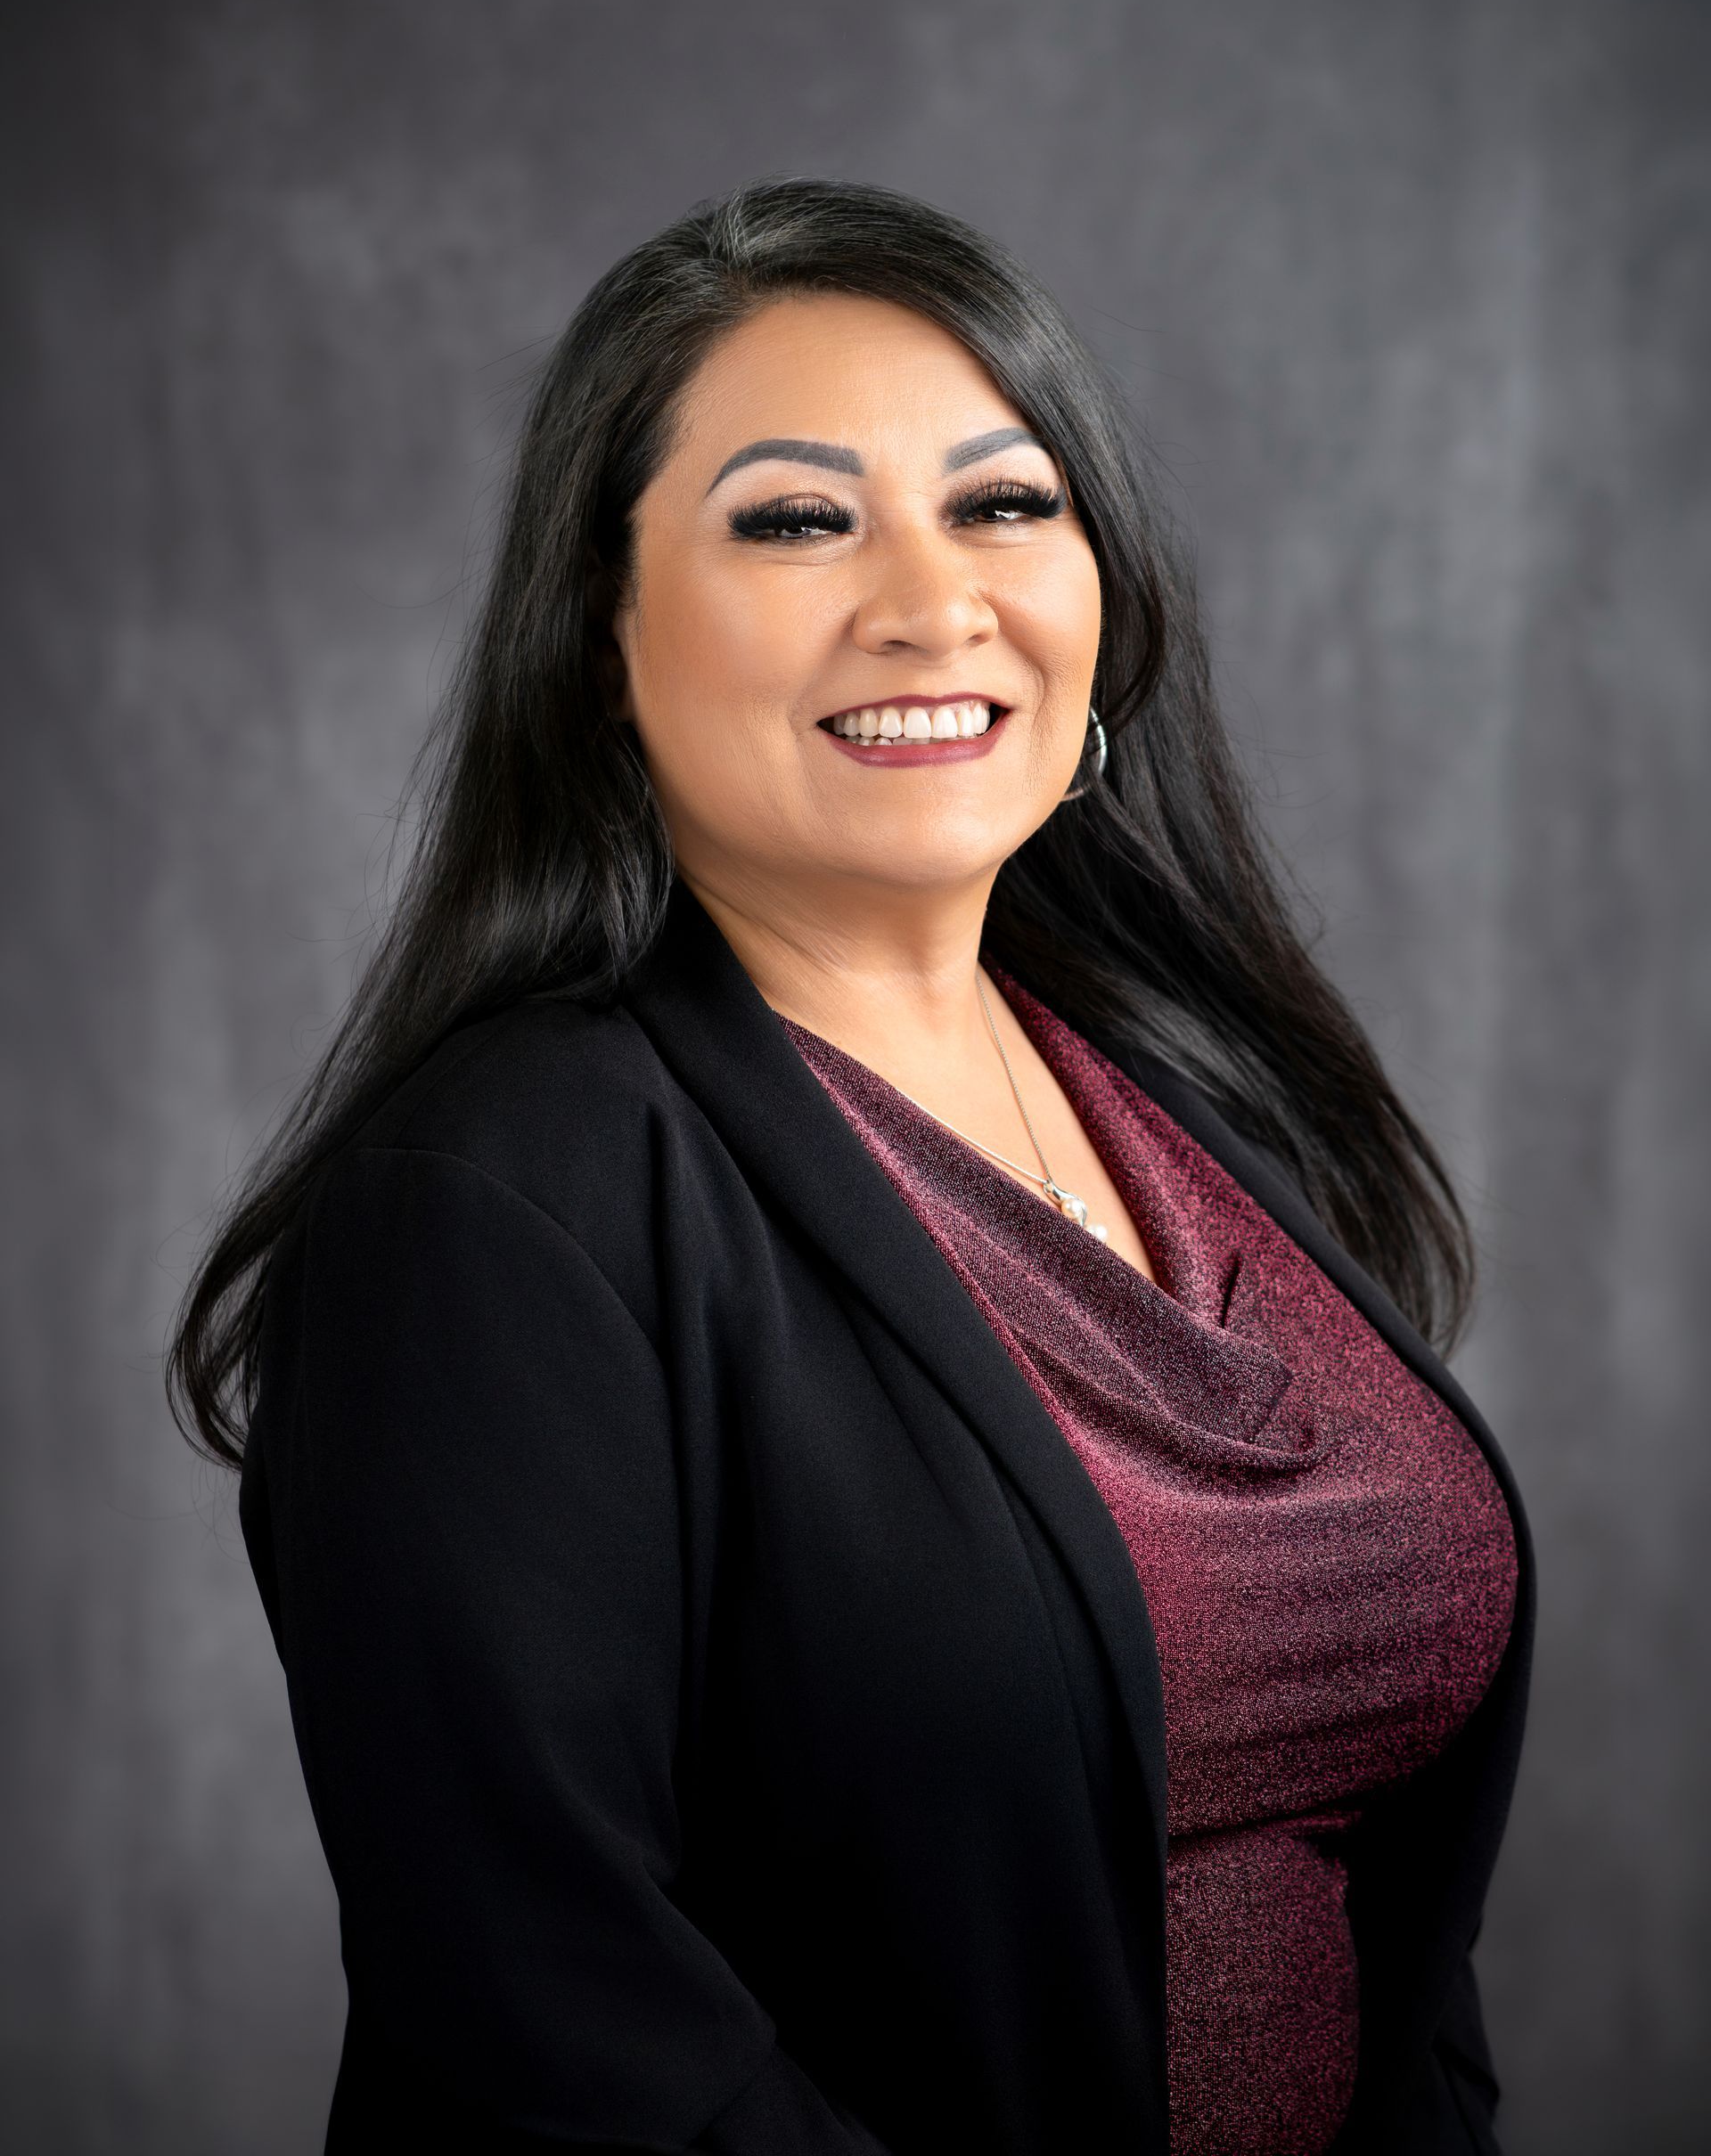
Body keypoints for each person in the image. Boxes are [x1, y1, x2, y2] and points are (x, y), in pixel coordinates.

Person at [168, 177, 1533, 2156]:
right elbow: (553, 2012)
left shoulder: (1203, 1112)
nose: (931, 600)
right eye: (798, 520)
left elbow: (1399, 1922)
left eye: (1005, 504)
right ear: (600, 648)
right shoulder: (498, 1196)